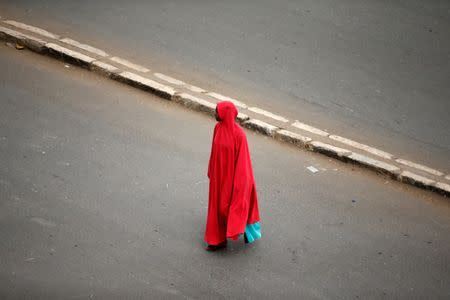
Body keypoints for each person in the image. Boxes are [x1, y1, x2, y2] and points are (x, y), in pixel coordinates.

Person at [204, 101, 261, 251]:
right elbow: (214, 151)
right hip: (217, 179)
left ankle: (244, 230)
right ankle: (216, 240)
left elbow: (243, 161)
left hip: (231, 180)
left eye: (217, 111)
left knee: (229, 207)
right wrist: (211, 169)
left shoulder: (239, 135)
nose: (215, 114)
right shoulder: (217, 128)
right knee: (216, 208)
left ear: (225, 113)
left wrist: (241, 184)